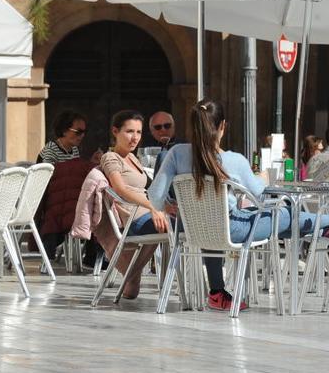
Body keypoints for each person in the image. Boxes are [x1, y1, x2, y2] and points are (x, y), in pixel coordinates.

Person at [150, 99, 329, 311]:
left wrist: (171, 204)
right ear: (223, 126)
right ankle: (325, 225)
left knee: (222, 218)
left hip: (193, 229)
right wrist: (262, 177)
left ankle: (217, 293)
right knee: (286, 214)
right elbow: (260, 194)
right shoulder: (234, 160)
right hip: (232, 229)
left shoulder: (176, 153)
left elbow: (155, 196)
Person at [99, 110, 168, 299]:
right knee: (175, 227)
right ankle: (177, 286)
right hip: (133, 217)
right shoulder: (111, 158)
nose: (135, 137)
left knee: (177, 221)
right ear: (115, 131)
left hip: (145, 212)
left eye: (138, 132)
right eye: (129, 131)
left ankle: (132, 277)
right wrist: (154, 208)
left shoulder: (133, 158)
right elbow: (120, 189)